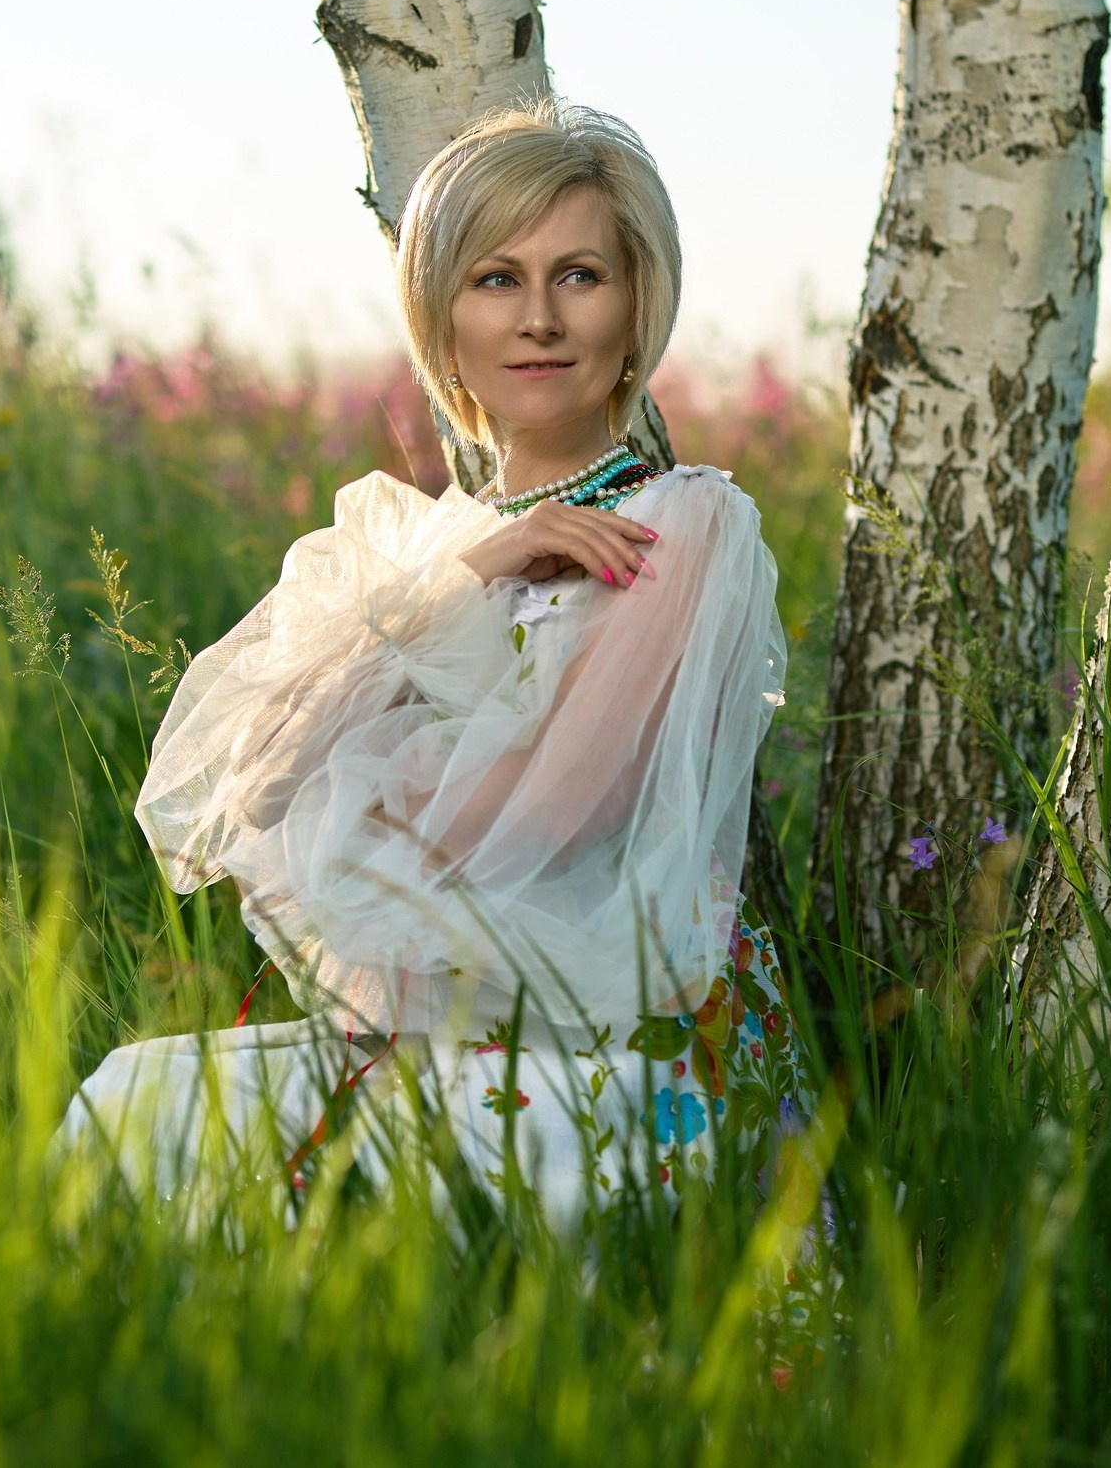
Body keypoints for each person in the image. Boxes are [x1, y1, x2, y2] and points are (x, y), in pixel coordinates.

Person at [57, 104, 804, 1225]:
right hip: (437, 1025)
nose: (540, 319)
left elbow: (560, 814)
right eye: (496, 279)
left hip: (617, 1028)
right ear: (441, 315)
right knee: (132, 1100)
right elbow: (257, 783)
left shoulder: (681, 522)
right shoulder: (413, 548)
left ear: (636, 302)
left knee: (353, 1170)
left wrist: (359, 802)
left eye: (581, 275)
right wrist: (461, 577)